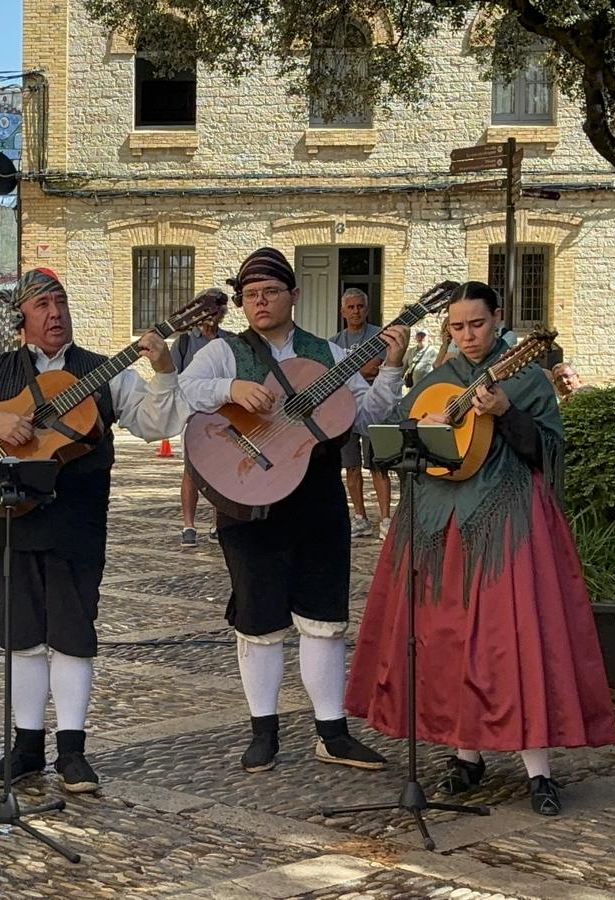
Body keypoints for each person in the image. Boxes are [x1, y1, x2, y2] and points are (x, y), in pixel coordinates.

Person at [345, 281, 615, 818]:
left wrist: (507, 411)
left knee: (509, 640)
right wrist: (415, 424)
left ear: (498, 319)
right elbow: (395, 439)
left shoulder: (527, 376)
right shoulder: (438, 378)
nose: (468, 336)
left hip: (507, 521)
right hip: (435, 525)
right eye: (457, 327)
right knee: (443, 639)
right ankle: (464, 756)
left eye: (477, 324)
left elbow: (548, 453)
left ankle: (538, 771)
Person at [0, 267, 189, 793]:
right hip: (11, 514)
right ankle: (25, 748)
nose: (55, 313)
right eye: (43, 304)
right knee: (22, 636)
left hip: (77, 518)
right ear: (22, 316)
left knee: (73, 633)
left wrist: (163, 370)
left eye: (62, 303)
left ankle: (72, 750)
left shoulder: (104, 371)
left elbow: (158, 425)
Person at [179, 248, 403, 775]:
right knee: (259, 618)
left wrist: (391, 366)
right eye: (250, 295)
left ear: (294, 295)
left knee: (324, 616)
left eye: (270, 292)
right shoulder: (226, 352)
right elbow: (184, 389)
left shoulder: (325, 352)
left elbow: (366, 413)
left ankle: (332, 732)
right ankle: (264, 732)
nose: (259, 302)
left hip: (317, 495)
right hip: (249, 497)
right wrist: (230, 388)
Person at [173, 287, 235, 546]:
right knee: (191, 470)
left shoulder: (231, 341)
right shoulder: (185, 342)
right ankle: (188, 525)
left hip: (225, 415)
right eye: (209, 309)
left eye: (218, 309)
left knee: (220, 470)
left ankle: (216, 523)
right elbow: (173, 380)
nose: (213, 314)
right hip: (194, 416)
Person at [332, 288, 394, 539]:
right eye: (351, 307)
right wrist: (359, 369)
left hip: (374, 407)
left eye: (360, 306)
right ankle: (360, 517)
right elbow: (336, 377)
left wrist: (350, 370)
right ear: (342, 311)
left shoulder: (379, 336)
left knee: (379, 465)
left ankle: (386, 518)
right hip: (346, 410)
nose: (356, 311)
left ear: (367, 309)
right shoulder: (334, 342)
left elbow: (374, 368)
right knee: (352, 467)